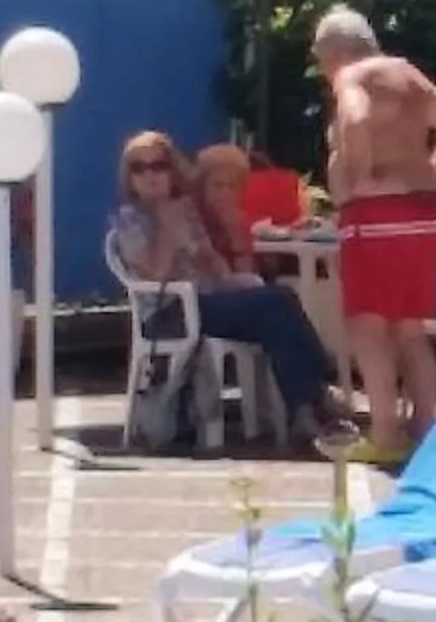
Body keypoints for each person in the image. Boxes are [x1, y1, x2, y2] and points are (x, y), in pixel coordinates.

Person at [108, 130, 342, 449]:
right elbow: (157, 274)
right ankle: (318, 392)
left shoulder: (186, 209)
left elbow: (210, 259)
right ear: (129, 176)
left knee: (277, 304)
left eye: (158, 166)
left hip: (208, 301)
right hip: (171, 311)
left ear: (171, 169)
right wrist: (166, 226)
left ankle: (304, 406)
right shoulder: (129, 219)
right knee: (274, 303)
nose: (150, 175)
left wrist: (226, 271)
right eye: (139, 168)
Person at [315, 6, 436, 458]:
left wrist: (358, 177)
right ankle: (426, 425)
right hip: (421, 213)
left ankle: (384, 433)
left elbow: (358, 119)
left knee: (367, 326)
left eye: (321, 58)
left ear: (336, 51)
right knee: (410, 330)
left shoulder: (353, 79)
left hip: (375, 218)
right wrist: (432, 176)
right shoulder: (407, 76)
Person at [191, 144, 262, 281]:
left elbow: (248, 275)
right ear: (201, 186)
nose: (225, 193)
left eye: (232, 186)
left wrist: (235, 234)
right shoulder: (192, 218)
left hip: (233, 292)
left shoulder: (239, 220)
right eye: (218, 185)